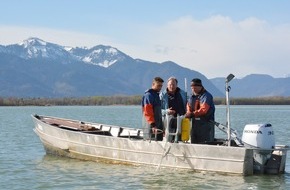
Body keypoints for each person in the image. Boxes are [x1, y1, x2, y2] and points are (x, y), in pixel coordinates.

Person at [185, 78, 215, 144]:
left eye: (195, 87)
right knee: (193, 142)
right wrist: (188, 113)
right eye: (192, 88)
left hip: (206, 124)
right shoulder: (191, 97)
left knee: (206, 143)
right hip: (194, 125)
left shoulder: (207, 96)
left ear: (200, 87)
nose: (193, 89)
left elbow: (204, 109)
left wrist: (192, 114)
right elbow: (188, 106)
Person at [160, 77, 187, 141]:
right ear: (167, 85)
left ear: (176, 85)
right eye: (170, 85)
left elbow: (187, 105)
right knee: (169, 140)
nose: (171, 86)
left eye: (173, 85)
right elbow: (158, 110)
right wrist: (167, 111)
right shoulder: (162, 95)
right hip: (168, 121)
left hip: (181, 120)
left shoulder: (183, 94)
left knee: (181, 139)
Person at [141, 77, 164, 141]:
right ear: (153, 84)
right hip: (150, 126)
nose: (160, 88)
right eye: (158, 85)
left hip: (158, 126)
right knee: (150, 141)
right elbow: (148, 112)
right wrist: (153, 125)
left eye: (161, 86)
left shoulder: (156, 95)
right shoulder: (148, 95)